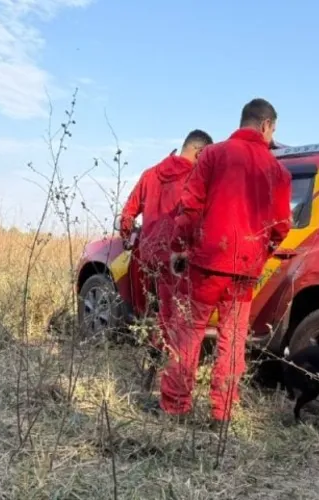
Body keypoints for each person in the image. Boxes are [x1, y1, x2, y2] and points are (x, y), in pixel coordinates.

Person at [155, 98, 292, 424]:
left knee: (187, 335)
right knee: (233, 342)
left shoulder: (213, 155)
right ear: (266, 125)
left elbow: (191, 207)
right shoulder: (278, 171)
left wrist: (179, 246)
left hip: (205, 263)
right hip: (245, 269)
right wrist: (262, 252)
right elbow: (281, 227)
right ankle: (222, 412)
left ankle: (175, 407)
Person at [116, 130, 213, 385]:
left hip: (147, 258)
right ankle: (170, 378)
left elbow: (126, 216)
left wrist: (129, 242)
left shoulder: (150, 174)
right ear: (200, 153)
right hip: (177, 260)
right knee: (175, 318)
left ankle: (150, 371)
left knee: (156, 312)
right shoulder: (196, 178)